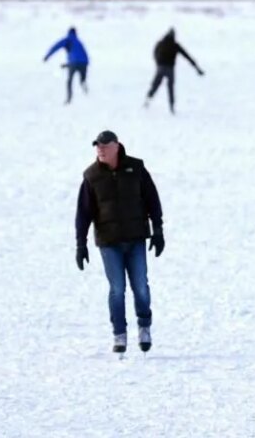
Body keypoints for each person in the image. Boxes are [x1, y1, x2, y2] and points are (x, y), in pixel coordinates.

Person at [75, 130, 165, 353]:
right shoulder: (91, 176)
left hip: (135, 239)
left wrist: (158, 230)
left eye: (105, 145)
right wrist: (81, 244)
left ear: (117, 146)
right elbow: (83, 213)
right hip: (109, 242)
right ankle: (119, 334)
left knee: (141, 287)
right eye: (98, 146)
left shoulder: (135, 169)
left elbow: (152, 199)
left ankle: (144, 326)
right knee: (117, 289)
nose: (101, 149)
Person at [145, 28, 204, 114]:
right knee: (170, 88)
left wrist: (158, 63)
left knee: (155, 85)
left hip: (160, 68)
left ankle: (147, 100)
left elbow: (155, 53)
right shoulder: (175, 45)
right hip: (170, 69)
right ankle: (171, 107)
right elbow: (187, 56)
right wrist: (197, 68)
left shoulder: (160, 43)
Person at [43, 27, 89, 104]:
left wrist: (47, 56)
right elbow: (81, 56)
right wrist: (67, 65)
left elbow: (56, 47)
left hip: (74, 62)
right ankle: (87, 94)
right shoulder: (79, 42)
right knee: (82, 81)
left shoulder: (67, 40)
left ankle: (69, 99)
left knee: (69, 81)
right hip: (84, 63)